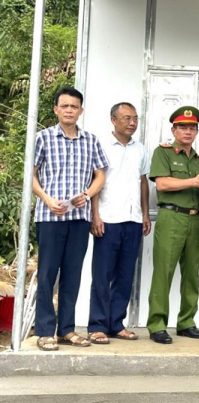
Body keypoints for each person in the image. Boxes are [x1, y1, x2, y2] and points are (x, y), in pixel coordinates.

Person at [32, 86, 109, 351]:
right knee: (47, 274)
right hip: (49, 217)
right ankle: (44, 330)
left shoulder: (91, 140)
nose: (68, 110)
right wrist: (46, 199)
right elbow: (30, 176)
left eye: (73, 106)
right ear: (56, 109)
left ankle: (66, 329)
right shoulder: (42, 138)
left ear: (81, 110)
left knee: (73, 274)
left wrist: (87, 195)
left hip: (78, 218)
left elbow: (100, 175)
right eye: (64, 106)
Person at [147, 106, 199, 344]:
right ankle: (157, 324)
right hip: (171, 218)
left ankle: (186, 322)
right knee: (163, 272)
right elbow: (162, 185)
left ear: (196, 131)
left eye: (192, 128)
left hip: (195, 219)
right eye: (183, 127)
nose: (187, 132)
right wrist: (194, 181)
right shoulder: (163, 153)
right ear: (173, 130)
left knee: (191, 274)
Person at [87, 102, 151, 344]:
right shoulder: (100, 146)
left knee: (125, 276)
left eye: (135, 118)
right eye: (126, 118)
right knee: (102, 275)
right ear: (113, 120)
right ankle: (97, 325)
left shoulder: (141, 149)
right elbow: (95, 181)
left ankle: (116, 324)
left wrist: (145, 214)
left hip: (133, 221)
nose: (132, 122)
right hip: (108, 219)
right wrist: (95, 215)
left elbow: (143, 182)